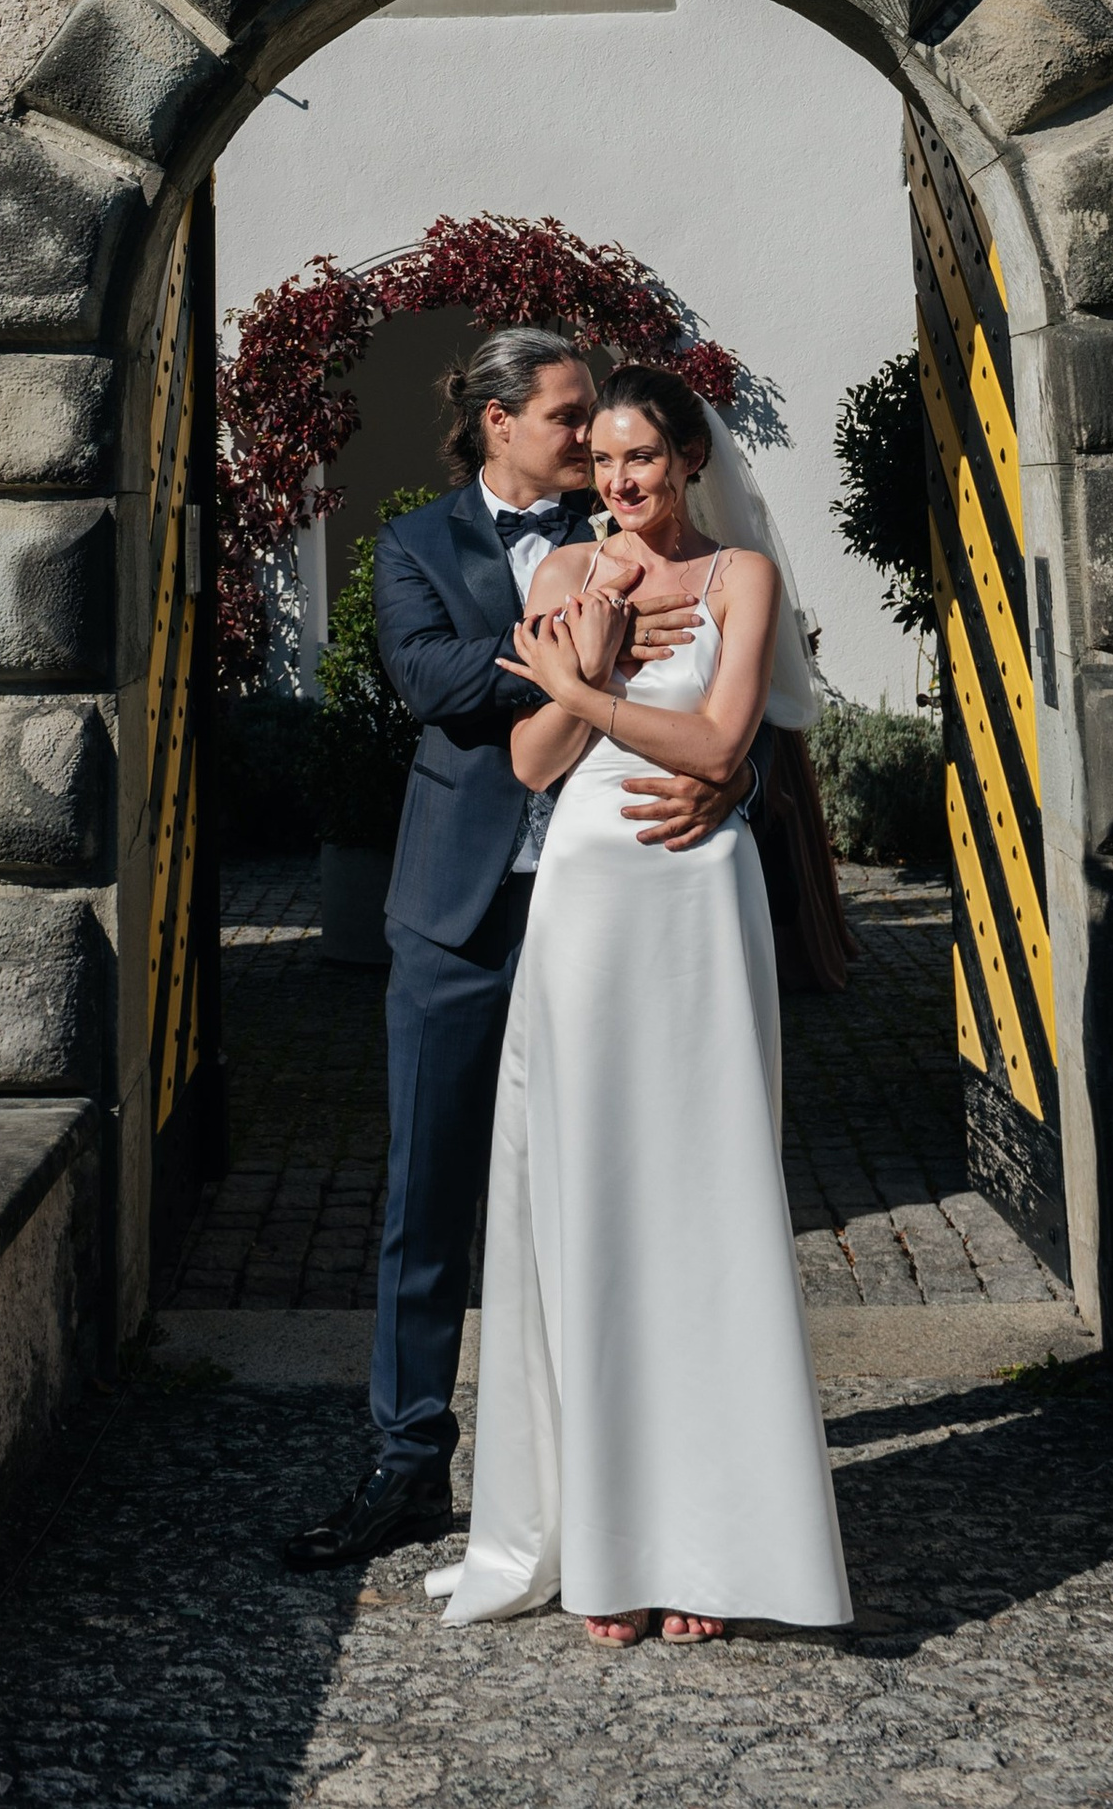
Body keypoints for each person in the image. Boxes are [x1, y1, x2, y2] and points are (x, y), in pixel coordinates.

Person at [281, 329, 750, 1573]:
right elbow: (431, 682)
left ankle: (626, 1471)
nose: (593, 438)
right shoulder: (415, 545)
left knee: (621, 1185)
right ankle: (407, 1460)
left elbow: (724, 697)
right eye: (567, 416)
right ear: (497, 421)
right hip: (458, 908)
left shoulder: (641, 539)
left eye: (603, 420)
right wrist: (587, 656)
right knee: (427, 1196)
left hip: (620, 901)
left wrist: (732, 773)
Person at [429, 359, 852, 1642]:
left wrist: (581, 687)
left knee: (704, 1196)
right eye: (603, 458)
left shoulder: (740, 579)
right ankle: (606, 1546)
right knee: (594, 1196)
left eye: (643, 458)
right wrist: (587, 666)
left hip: (698, 900)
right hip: (589, 898)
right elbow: (530, 761)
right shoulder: (565, 574)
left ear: (689, 460)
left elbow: (721, 745)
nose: (619, 479)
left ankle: (711, 1549)